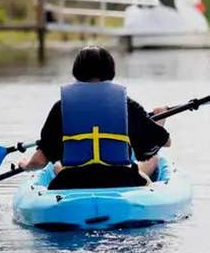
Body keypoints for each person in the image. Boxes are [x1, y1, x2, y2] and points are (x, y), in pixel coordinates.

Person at [17, 45, 171, 189]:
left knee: (57, 167)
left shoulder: (62, 106)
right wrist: (159, 120)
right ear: (110, 70)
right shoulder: (125, 104)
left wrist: (26, 165)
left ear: (77, 71)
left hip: (71, 182)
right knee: (147, 181)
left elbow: (40, 161)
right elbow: (164, 142)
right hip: (120, 179)